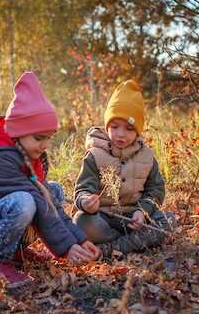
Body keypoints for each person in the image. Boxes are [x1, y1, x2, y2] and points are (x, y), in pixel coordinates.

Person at [0, 71, 100, 289]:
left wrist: (79, 239)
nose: (44, 145)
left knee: (53, 191)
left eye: (48, 138)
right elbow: (37, 203)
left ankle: (15, 253)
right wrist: (66, 247)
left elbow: (48, 201)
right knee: (24, 202)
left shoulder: (29, 155)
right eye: (38, 138)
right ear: (17, 132)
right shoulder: (0, 156)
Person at [73, 80, 176, 259]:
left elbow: (156, 190)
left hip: (133, 218)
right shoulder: (94, 155)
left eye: (129, 129)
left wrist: (142, 211)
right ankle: (130, 243)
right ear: (107, 126)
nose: (121, 134)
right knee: (81, 221)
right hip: (103, 217)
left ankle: (111, 248)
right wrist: (86, 202)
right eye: (114, 127)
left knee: (168, 221)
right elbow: (82, 189)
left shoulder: (147, 156)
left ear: (138, 131)